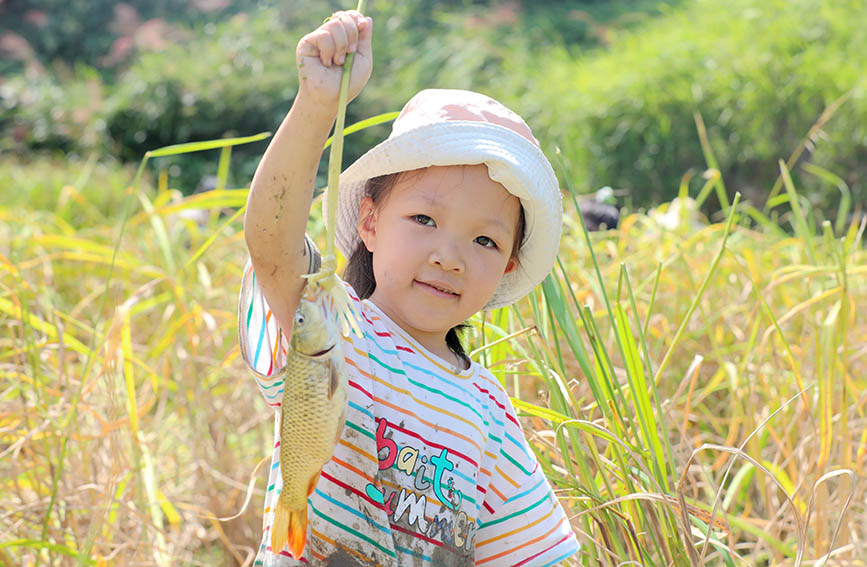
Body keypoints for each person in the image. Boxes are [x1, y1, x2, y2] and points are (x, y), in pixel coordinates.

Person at [239, 10, 580, 567]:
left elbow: (530, 557)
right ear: (369, 223)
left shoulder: (490, 413)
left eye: (485, 242)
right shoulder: (331, 329)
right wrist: (319, 105)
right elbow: (270, 241)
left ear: (508, 267)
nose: (448, 256)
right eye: (424, 219)